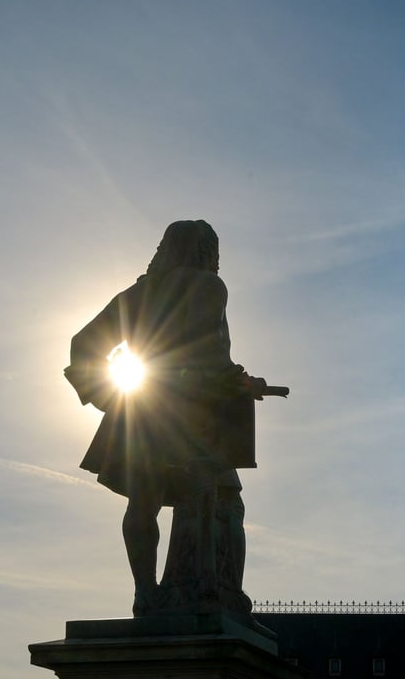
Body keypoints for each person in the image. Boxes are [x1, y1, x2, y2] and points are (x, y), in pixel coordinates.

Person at [65, 220, 281, 618]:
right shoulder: (208, 286)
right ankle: (208, 587)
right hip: (191, 412)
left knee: (142, 503)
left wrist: (108, 397)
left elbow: (82, 345)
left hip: (140, 408)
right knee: (219, 496)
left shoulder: (139, 293)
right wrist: (242, 382)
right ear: (205, 252)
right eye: (214, 251)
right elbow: (207, 352)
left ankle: (145, 592)